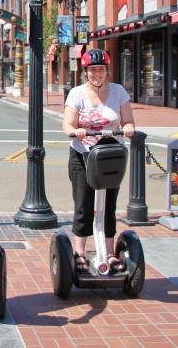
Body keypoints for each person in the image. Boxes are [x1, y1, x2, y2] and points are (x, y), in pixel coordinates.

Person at [62, 49, 136, 273]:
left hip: (111, 155)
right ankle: (80, 252)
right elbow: (67, 125)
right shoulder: (77, 94)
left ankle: (110, 253)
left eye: (101, 69)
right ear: (86, 72)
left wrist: (129, 128)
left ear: (107, 71)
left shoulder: (118, 91)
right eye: (93, 70)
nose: (97, 74)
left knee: (109, 205)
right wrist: (76, 132)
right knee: (84, 204)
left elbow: (128, 121)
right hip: (83, 155)